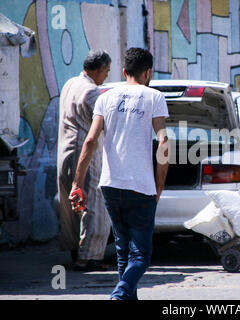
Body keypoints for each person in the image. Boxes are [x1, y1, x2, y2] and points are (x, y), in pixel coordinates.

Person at [69, 47, 169, 300]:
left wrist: (76, 184)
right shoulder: (154, 97)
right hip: (141, 187)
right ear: (148, 73)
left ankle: (125, 297)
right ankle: (121, 293)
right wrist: (159, 186)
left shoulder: (105, 97)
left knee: (124, 252)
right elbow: (164, 143)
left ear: (124, 71)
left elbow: (90, 141)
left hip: (110, 186)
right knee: (141, 255)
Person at [57, 50, 112, 271]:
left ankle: (75, 251)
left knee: (72, 205)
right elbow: (106, 124)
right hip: (85, 154)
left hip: (65, 151)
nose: (106, 76)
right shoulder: (92, 92)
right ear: (98, 69)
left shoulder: (71, 83)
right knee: (93, 204)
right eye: (106, 71)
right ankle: (89, 257)